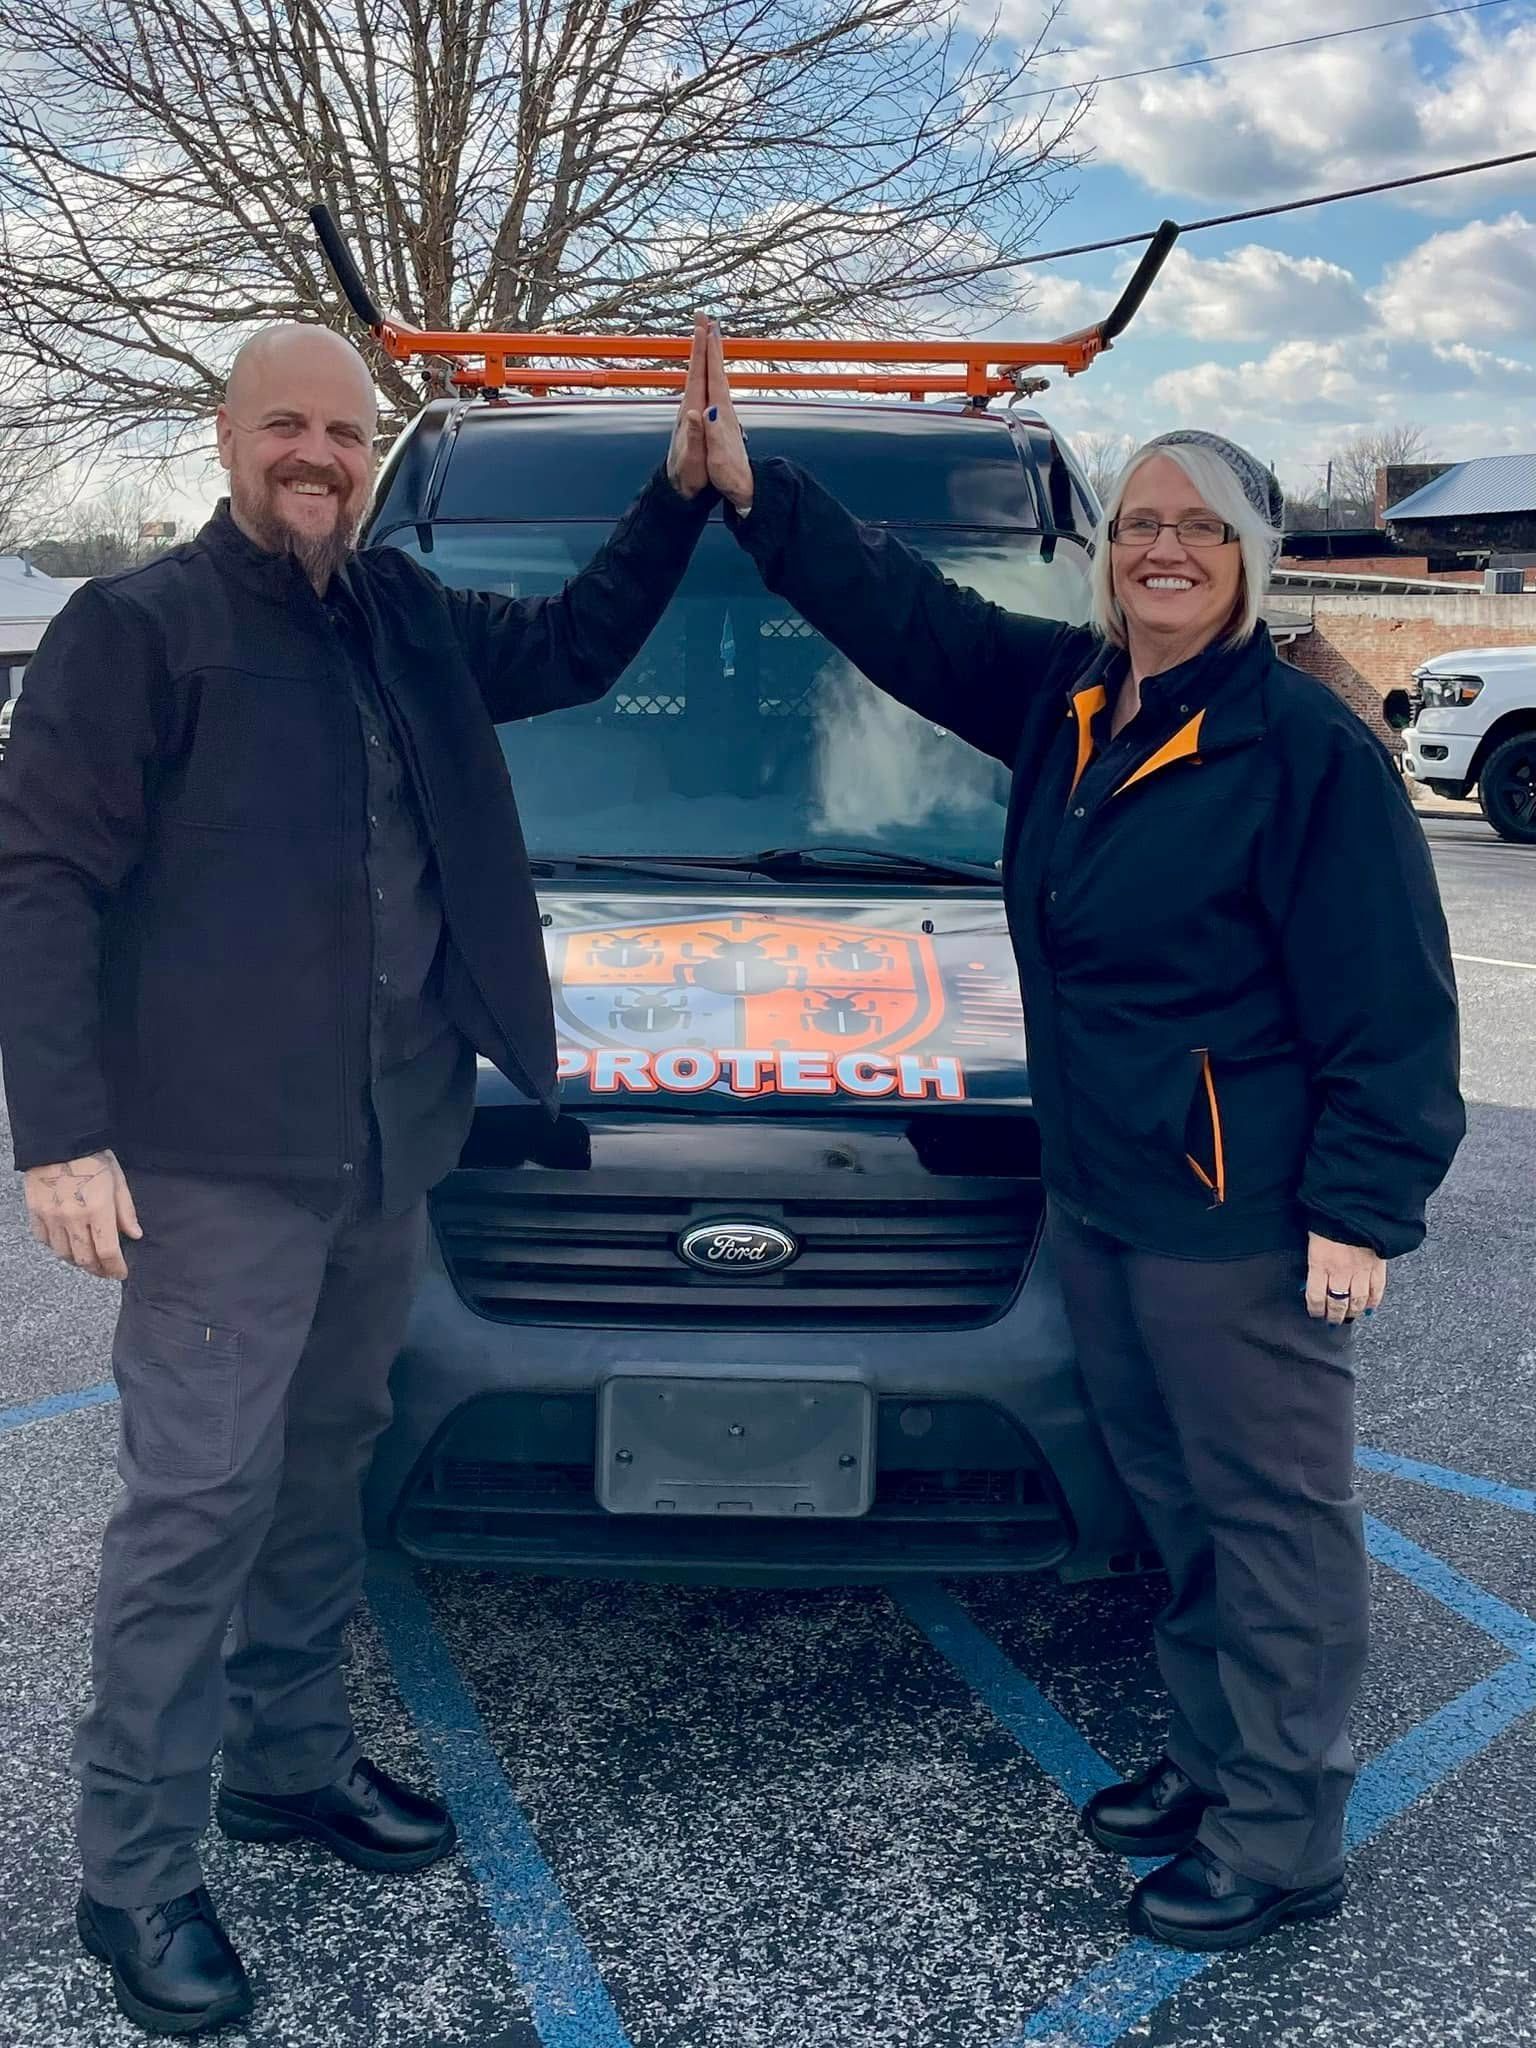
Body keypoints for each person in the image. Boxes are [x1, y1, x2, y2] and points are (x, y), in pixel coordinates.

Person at [694, 328, 1464, 1952]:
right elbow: (906, 617)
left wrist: (1360, 1210)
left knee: (1272, 1516)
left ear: (1250, 563)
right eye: (1137, 526)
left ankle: (1281, 1835)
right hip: (1105, 1196)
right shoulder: (1076, 697)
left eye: (1199, 529)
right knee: (1176, 1501)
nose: (1163, 549)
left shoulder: (1297, 750)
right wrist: (761, 492)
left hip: (1241, 1217)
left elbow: (1392, 1001)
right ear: (1108, 559)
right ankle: (1209, 1764)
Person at [0, 318, 718, 2035]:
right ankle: (135, 1876)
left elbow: (577, 644)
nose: (318, 456)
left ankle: (290, 1766)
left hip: (392, 1139)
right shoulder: (138, 630)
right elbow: (36, 879)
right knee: (194, 1513)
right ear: (228, 435)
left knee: (323, 1472)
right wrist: (62, 1133)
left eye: (345, 433)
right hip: (216, 1166)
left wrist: (677, 495)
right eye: (288, 427)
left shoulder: (402, 615)